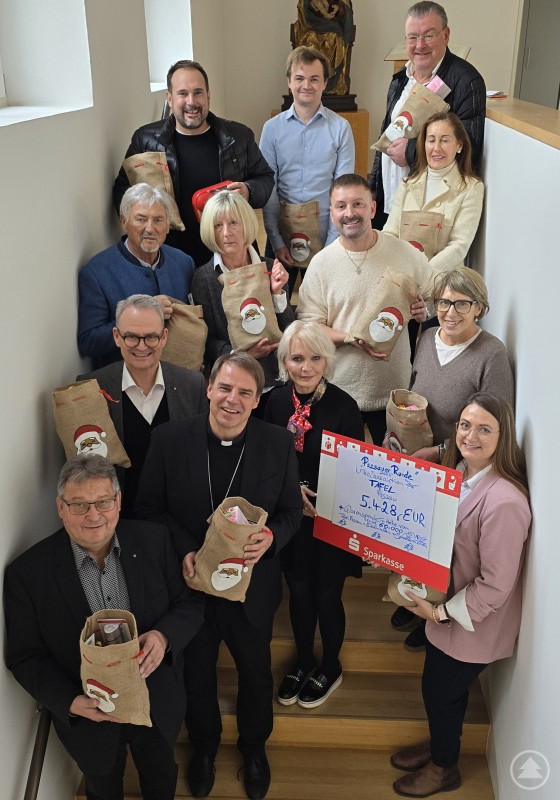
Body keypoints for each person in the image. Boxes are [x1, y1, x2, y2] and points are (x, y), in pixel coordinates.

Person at [135, 352, 302, 800]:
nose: (232, 400)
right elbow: (148, 510)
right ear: (208, 388)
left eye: (245, 392)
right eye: (225, 388)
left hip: (253, 590)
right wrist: (185, 549)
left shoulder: (277, 444)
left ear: (256, 400)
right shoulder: (169, 440)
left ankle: (253, 749)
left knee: (256, 673)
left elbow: (290, 513)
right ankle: (205, 747)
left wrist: (271, 539)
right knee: (197, 675)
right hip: (190, 589)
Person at [4, 455, 204, 800]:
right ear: (60, 507)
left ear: (118, 502)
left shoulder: (155, 541)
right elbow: (25, 657)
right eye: (79, 505)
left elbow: (190, 605)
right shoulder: (27, 574)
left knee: (160, 776)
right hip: (89, 718)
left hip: (156, 701)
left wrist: (163, 635)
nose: (93, 515)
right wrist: (69, 702)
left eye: (103, 502)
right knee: (102, 787)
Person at [391, 393, 531, 798]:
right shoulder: (460, 474)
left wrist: (437, 614)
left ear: (502, 438)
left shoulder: (506, 501)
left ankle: (444, 767)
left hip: (472, 624)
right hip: (445, 608)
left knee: (442, 694)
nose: (471, 435)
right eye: (465, 425)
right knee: (435, 691)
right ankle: (440, 745)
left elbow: (495, 586)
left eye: (484, 428)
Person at [390, 267, 514, 650]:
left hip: (455, 466)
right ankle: (411, 598)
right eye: (444, 302)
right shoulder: (427, 337)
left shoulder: (490, 353)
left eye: (462, 303)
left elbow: (494, 420)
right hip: (417, 458)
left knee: (445, 546)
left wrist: (443, 451)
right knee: (414, 535)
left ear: (479, 307)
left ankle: (431, 611)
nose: (450, 311)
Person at [263, 320, 363, 708]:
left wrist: (323, 500)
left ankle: (330, 665)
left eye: (315, 358)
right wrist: (291, 492)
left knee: (326, 595)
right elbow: (263, 461)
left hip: (330, 519)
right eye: (297, 358)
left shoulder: (344, 407)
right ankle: (304, 661)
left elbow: (358, 472)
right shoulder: (271, 402)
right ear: (285, 361)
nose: (305, 367)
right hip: (289, 517)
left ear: (328, 360)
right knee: (299, 592)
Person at [296, 173, 436, 445]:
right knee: (339, 476)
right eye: (341, 206)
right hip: (337, 390)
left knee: (392, 475)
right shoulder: (321, 264)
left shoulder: (405, 253)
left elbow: (434, 297)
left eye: (358, 204)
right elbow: (310, 330)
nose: (350, 213)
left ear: (372, 208)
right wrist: (351, 338)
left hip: (394, 392)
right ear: (332, 212)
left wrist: (424, 311)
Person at [113, 59, 274, 266]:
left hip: (229, 256)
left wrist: (248, 191)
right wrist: (142, 233)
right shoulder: (146, 140)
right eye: (182, 94)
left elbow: (266, 178)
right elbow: (123, 191)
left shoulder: (239, 136)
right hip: (169, 260)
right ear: (169, 99)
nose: (191, 101)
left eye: (198, 92)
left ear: (208, 95)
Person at [79, 295, 208, 517]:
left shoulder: (192, 385)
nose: (141, 346)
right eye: (131, 337)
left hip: (177, 520)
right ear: (117, 336)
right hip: (118, 520)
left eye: (151, 337)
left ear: (164, 337)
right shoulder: (90, 389)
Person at [369, 2, 486, 230]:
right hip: (389, 204)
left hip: (431, 211)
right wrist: (373, 188)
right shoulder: (400, 78)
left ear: (446, 35)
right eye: (412, 37)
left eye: (428, 35)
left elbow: (470, 146)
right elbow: (386, 133)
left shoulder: (466, 81)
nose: (419, 45)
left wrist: (411, 151)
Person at [259, 46, 355, 293]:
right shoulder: (271, 129)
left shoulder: (341, 128)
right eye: (300, 78)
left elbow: (343, 193)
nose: (307, 85)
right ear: (289, 81)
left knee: (324, 311)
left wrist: (333, 245)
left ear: (325, 82)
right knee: (278, 308)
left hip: (327, 235)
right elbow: (269, 189)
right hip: (281, 235)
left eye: (314, 79)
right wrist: (277, 241)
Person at [78, 183, 195, 367]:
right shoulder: (96, 272)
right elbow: (89, 342)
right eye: (141, 219)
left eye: (158, 220)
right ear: (124, 221)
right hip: (124, 381)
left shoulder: (184, 263)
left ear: (167, 227)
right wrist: (141, 314)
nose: (150, 228)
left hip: (179, 376)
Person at [191, 190, 295, 397]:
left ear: (247, 223)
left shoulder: (270, 267)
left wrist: (277, 293)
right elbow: (207, 339)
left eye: (233, 223)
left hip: (279, 380)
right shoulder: (204, 278)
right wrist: (241, 355)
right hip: (235, 382)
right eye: (218, 225)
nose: (226, 233)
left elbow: (289, 328)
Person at [383, 112, 484, 271]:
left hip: (443, 282)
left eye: (444, 140)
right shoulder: (407, 185)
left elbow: (459, 246)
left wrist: (423, 276)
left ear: (459, 145)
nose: (436, 148)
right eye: (431, 140)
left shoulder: (471, 188)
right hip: (401, 277)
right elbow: (389, 234)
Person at [293, 1, 354, 95]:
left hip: (331, 26)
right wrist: (310, 5)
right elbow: (303, 7)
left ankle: (330, 78)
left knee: (334, 37)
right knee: (310, 39)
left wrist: (339, 8)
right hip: (311, 25)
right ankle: (308, 82)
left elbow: (344, 8)